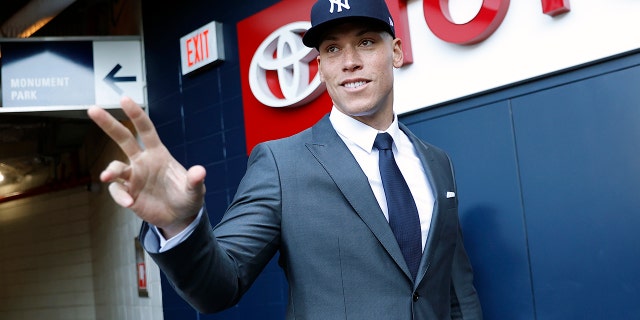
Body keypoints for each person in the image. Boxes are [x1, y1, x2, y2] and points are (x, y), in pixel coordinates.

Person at [87, 0, 482, 318]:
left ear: (395, 51)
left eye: (365, 42)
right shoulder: (280, 163)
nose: (349, 62)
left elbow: (454, 288)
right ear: (322, 68)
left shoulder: (435, 162)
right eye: (332, 49)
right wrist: (179, 225)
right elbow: (219, 288)